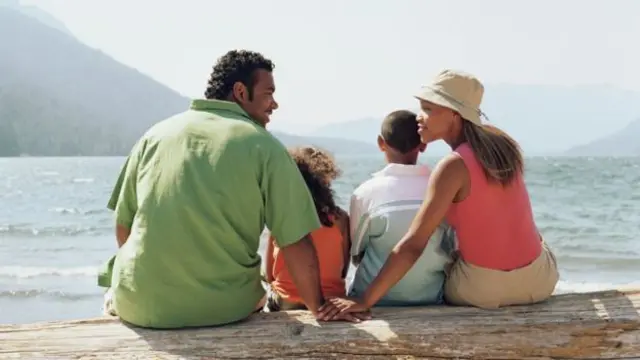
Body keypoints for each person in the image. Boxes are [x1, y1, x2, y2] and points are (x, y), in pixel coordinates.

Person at [103, 49, 362, 329]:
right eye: (268, 93)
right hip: (223, 308)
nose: (274, 104)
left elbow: (124, 226)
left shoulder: (155, 134)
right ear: (240, 91)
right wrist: (319, 307)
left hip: (137, 304)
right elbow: (296, 241)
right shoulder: (264, 146)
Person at [318, 69, 559, 319]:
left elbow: (413, 245)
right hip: (539, 282)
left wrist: (364, 298)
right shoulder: (502, 145)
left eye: (428, 109)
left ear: (455, 114)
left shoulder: (452, 166)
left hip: (481, 293)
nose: (419, 118)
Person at [348, 110, 455, 306]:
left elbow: (356, 252)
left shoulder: (365, 193)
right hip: (430, 297)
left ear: (381, 143)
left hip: (374, 299)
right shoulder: (442, 190)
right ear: (423, 144)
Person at [264, 146, 350, 311]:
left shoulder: (281, 215)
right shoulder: (340, 219)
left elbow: (269, 274)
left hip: (286, 301)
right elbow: (342, 271)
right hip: (331, 302)